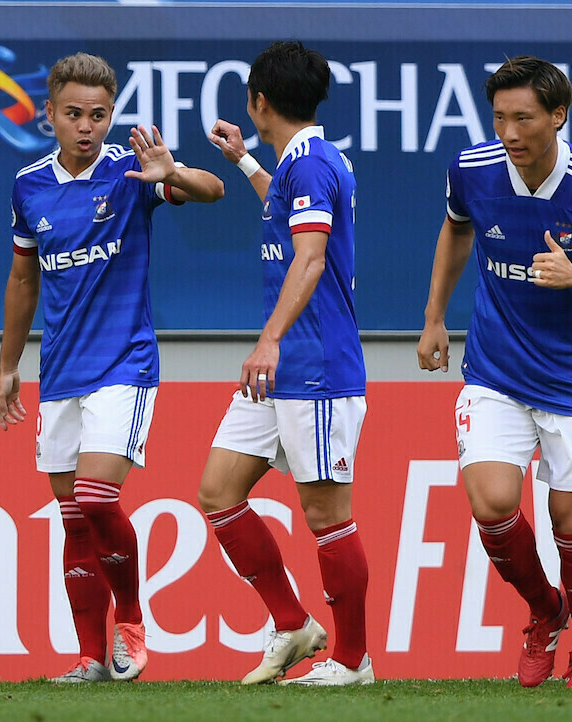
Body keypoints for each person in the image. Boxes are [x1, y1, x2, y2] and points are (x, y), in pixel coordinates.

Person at [417, 55, 572, 690]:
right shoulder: (471, 170)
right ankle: (543, 610)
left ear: (558, 115)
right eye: (499, 117)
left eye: (523, 118)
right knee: (494, 504)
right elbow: (456, 229)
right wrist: (435, 316)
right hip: (495, 371)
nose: (509, 131)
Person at [0, 52, 224, 683]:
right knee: (73, 518)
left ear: (110, 116)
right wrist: (9, 365)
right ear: (50, 115)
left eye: (98, 115)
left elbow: (213, 190)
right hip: (60, 373)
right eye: (74, 114)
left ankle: (131, 619)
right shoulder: (29, 184)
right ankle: (90, 658)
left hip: (124, 366)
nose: (87, 126)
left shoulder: (132, 172)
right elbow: (22, 278)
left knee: (97, 497)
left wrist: (169, 171)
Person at [199, 41, 371, 686]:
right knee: (218, 493)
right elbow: (288, 213)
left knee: (328, 516)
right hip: (282, 373)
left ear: (259, 101)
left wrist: (269, 338)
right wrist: (243, 158)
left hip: (315, 367)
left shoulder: (315, 164)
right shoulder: (304, 163)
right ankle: (294, 624)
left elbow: (311, 257)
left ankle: (354, 660)